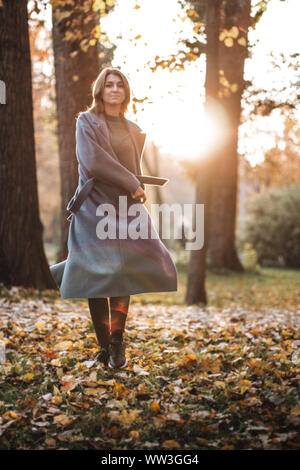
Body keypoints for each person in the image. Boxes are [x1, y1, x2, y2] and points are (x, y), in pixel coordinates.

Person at [50, 67, 177, 369]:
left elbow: (131, 167)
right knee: (95, 274)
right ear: (100, 90)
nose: (115, 89)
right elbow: (93, 161)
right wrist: (132, 182)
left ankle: (117, 343)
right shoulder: (86, 121)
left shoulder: (133, 128)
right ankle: (104, 347)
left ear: (125, 91)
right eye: (109, 84)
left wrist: (136, 189)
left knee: (122, 271)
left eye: (120, 84)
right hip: (94, 206)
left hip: (124, 207)